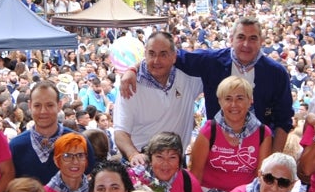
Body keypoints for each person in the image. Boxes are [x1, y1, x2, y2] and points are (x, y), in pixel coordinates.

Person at [124, 17, 294, 153]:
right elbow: (167, 55)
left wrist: (271, 159)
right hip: (218, 149)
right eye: (241, 37)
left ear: (261, 41)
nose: (246, 44)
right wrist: (132, 69)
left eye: (252, 38)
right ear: (231, 39)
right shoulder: (212, 62)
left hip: (259, 149)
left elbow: (283, 120)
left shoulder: (276, 73)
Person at [114, 32, 202, 166]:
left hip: (176, 165)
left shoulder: (188, 79)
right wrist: (134, 155)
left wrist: (132, 68)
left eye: (163, 54)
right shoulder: (130, 85)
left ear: (174, 56)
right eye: (151, 54)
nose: (156, 60)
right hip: (143, 165)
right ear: (145, 54)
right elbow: (120, 133)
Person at [190, 76, 272, 192]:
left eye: (240, 98)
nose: (234, 104)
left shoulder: (263, 133)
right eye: (228, 99)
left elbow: (261, 178)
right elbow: (196, 176)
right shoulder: (209, 131)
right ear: (220, 102)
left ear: (250, 100)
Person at [9, 80, 92, 185]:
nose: (43, 111)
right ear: (30, 106)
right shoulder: (16, 146)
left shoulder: (79, 142)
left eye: (49, 105)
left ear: (59, 105)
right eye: (37, 106)